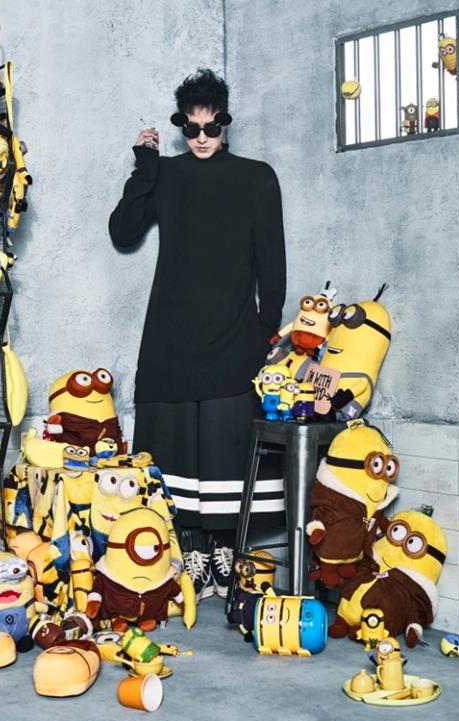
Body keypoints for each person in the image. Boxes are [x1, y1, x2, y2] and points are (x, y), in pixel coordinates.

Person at [109, 69, 286, 603]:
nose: (202, 137)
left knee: (226, 444)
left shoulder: (257, 177)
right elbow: (123, 233)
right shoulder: (165, 174)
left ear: (226, 122)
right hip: (171, 333)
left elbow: (271, 260)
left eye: (211, 126)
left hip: (234, 332)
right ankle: (189, 548)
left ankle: (225, 549)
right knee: (174, 442)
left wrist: (266, 329)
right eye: (191, 128)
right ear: (181, 126)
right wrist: (144, 167)